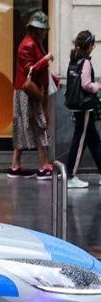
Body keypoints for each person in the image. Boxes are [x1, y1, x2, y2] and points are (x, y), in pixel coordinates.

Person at [9, 11, 57, 179]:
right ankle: (43, 166)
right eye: (41, 30)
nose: (44, 33)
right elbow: (31, 69)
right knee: (40, 124)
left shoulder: (33, 43)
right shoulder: (28, 45)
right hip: (29, 92)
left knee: (23, 126)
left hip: (29, 91)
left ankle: (15, 165)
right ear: (35, 29)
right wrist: (46, 59)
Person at [61, 30, 101, 188]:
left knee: (93, 141)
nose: (94, 47)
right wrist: (97, 86)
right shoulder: (85, 62)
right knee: (80, 141)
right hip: (84, 107)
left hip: (77, 106)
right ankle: (70, 176)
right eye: (93, 44)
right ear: (89, 45)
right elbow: (86, 84)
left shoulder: (74, 60)